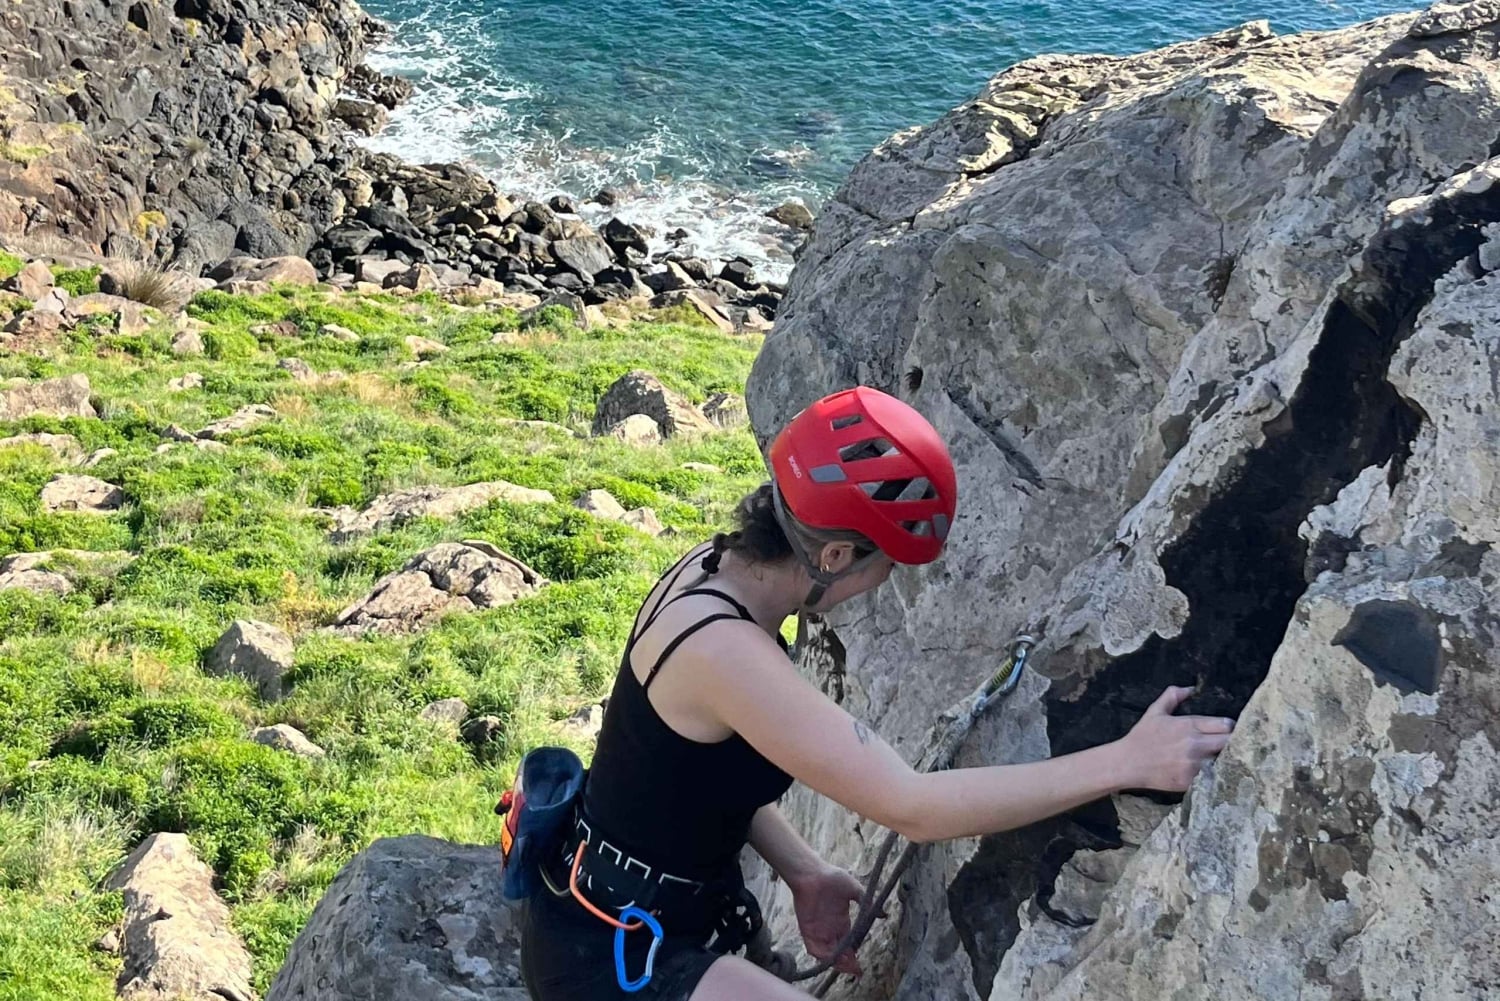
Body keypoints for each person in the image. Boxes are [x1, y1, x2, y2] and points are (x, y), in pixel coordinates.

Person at [518, 386, 1233, 1000]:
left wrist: (804, 871)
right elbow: (913, 806)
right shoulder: (723, 650)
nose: (876, 586)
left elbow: (684, 774)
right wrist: (1127, 761)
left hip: (619, 909)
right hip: (612, 960)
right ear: (834, 555)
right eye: (881, 566)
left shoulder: (713, 573)